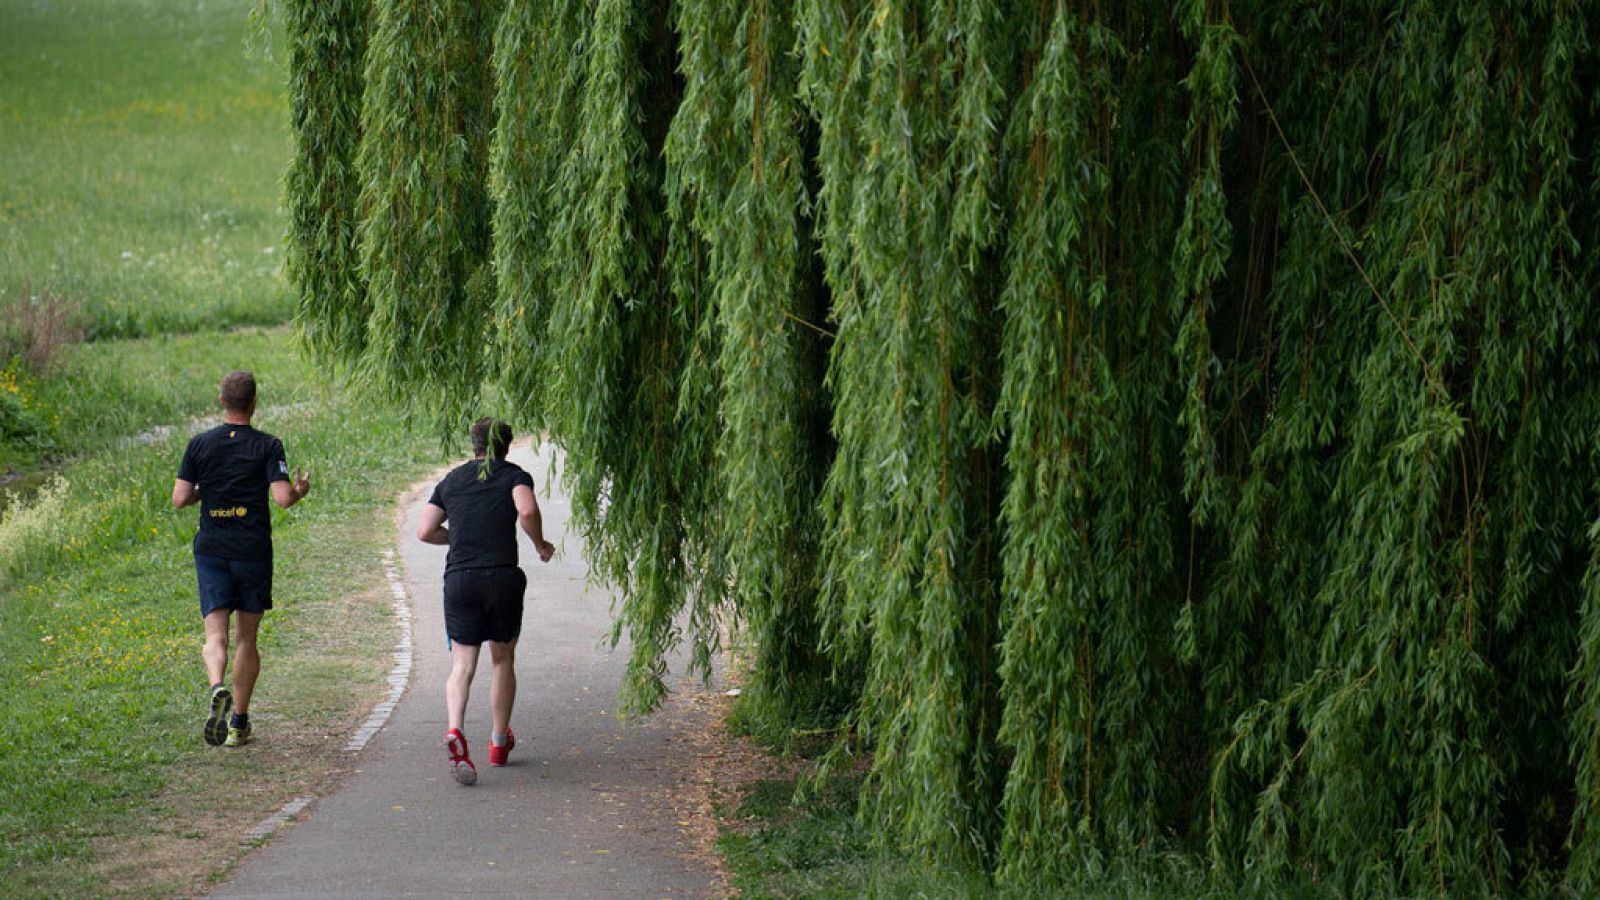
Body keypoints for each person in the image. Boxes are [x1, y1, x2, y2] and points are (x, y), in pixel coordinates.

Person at [172, 371, 311, 747]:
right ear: (253, 403)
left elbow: (180, 498)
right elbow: (282, 498)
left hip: (212, 549)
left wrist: (209, 490)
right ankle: (238, 723)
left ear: (221, 401)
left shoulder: (198, 445)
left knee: (215, 634)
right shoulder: (268, 445)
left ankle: (216, 685)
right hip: (251, 551)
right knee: (246, 637)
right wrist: (298, 491)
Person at [416, 418, 554, 785]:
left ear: (473, 445)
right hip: (502, 578)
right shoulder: (514, 475)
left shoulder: (452, 480)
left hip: (460, 580)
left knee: (462, 663)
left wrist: (460, 537)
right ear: (506, 447)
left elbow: (425, 530)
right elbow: (525, 511)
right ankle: (497, 742)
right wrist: (540, 544)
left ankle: (455, 730)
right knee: (502, 659)